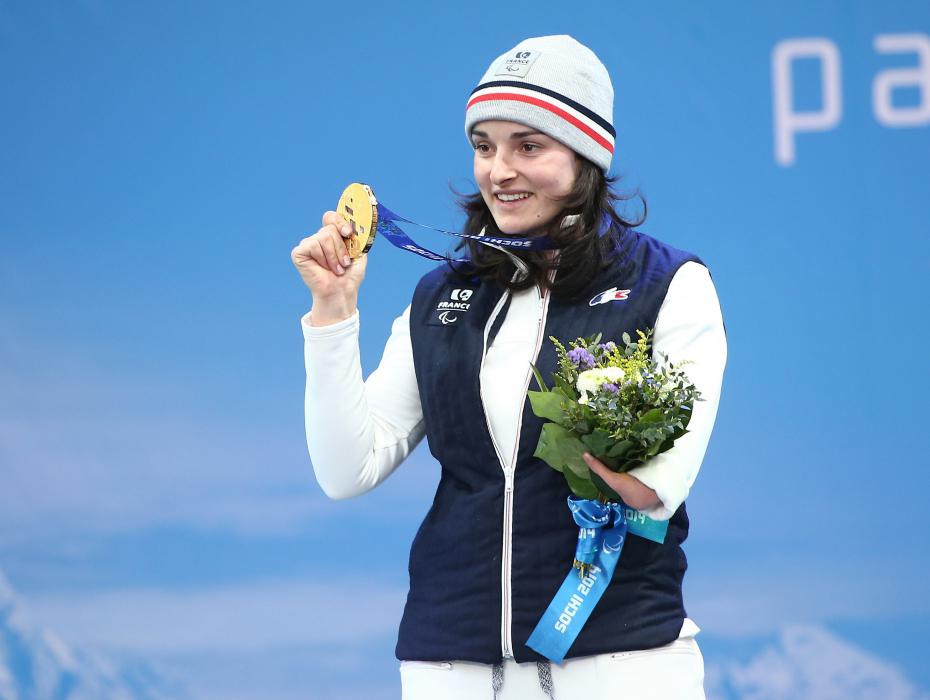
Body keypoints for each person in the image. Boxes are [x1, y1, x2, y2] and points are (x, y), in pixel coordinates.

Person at [291, 35, 727, 700]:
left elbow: (661, 484)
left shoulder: (668, 284)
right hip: (450, 669)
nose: (499, 170)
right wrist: (332, 317)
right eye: (485, 146)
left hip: (622, 666)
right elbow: (346, 470)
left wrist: (606, 462)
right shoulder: (442, 296)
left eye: (529, 146)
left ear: (587, 155)